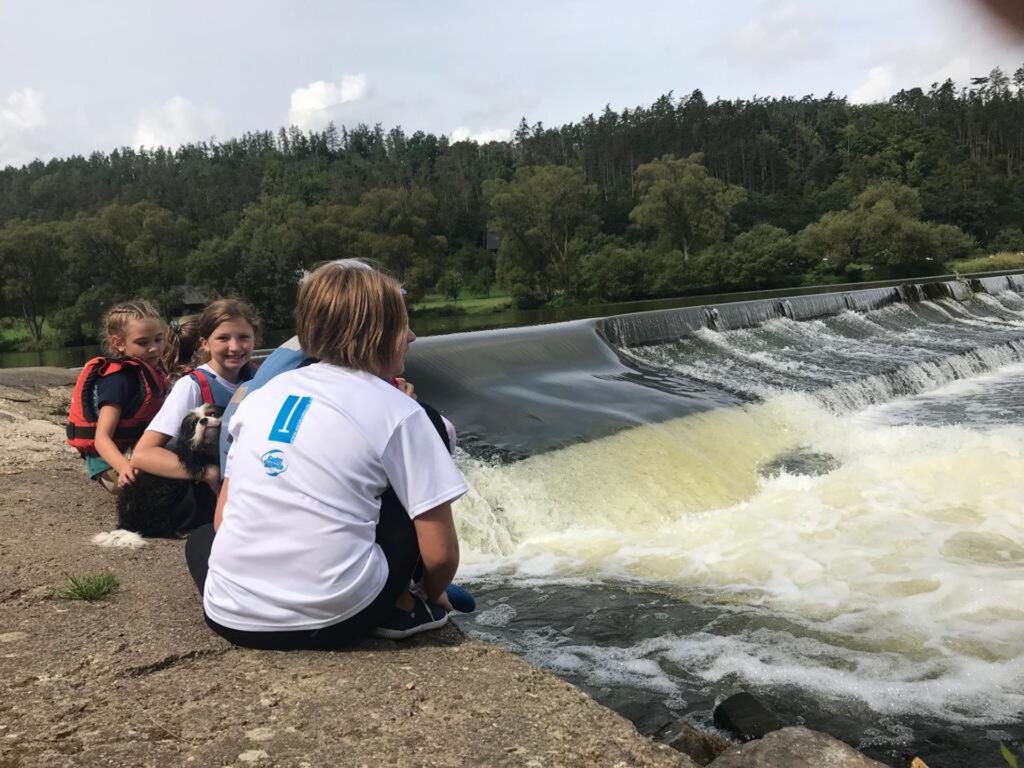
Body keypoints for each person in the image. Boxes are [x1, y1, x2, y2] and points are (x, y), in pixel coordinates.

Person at [185, 260, 468, 648]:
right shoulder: (401, 412)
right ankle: (405, 608)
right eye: (404, 325)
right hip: (335, 619)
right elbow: (441, 555)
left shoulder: (259, 398)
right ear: (379, 333)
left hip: (230, 617)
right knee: (407, 505)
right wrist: (433, 593)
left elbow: (223, 519)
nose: (412, 336)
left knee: (200, 539)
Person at [130, 299, 259, 523]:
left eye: (243, 337)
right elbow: (143, 455)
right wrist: (207, 472)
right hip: (206, 494)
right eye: (223, 338)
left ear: (255, 339)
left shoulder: (261, 379)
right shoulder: (191, 386)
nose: (235, 347)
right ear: (205, 344)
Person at [66, 300, 169, 493]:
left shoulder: (152, 371)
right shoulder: (118, 380)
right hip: (110, 465)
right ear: (118, 343)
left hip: (136, 450)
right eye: (142, 343)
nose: (154, 348)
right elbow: (101, 438)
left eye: (158, 339)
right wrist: (124, 467)